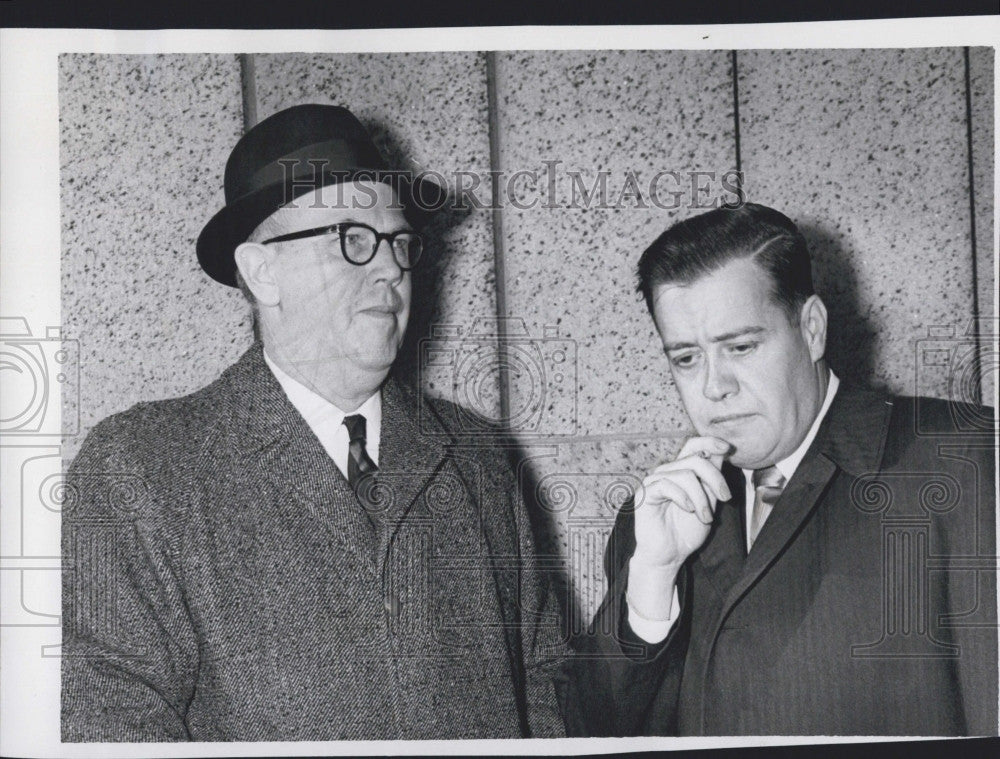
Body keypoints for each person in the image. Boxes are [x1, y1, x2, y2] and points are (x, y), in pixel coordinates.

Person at [61, 104, 568, 741]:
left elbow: (546, 688)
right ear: (261, 271)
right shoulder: (142, 472)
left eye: (399, 242)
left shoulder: (476, 459)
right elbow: (108, 726)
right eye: (352, 238)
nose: (391, 268)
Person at [565, 203, 997, 736]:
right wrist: (653, 580)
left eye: (741, 346)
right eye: (685, 358)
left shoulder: (964, 457)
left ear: (811, 329)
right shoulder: (658, 516)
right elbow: (595, 732)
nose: (713, 386)